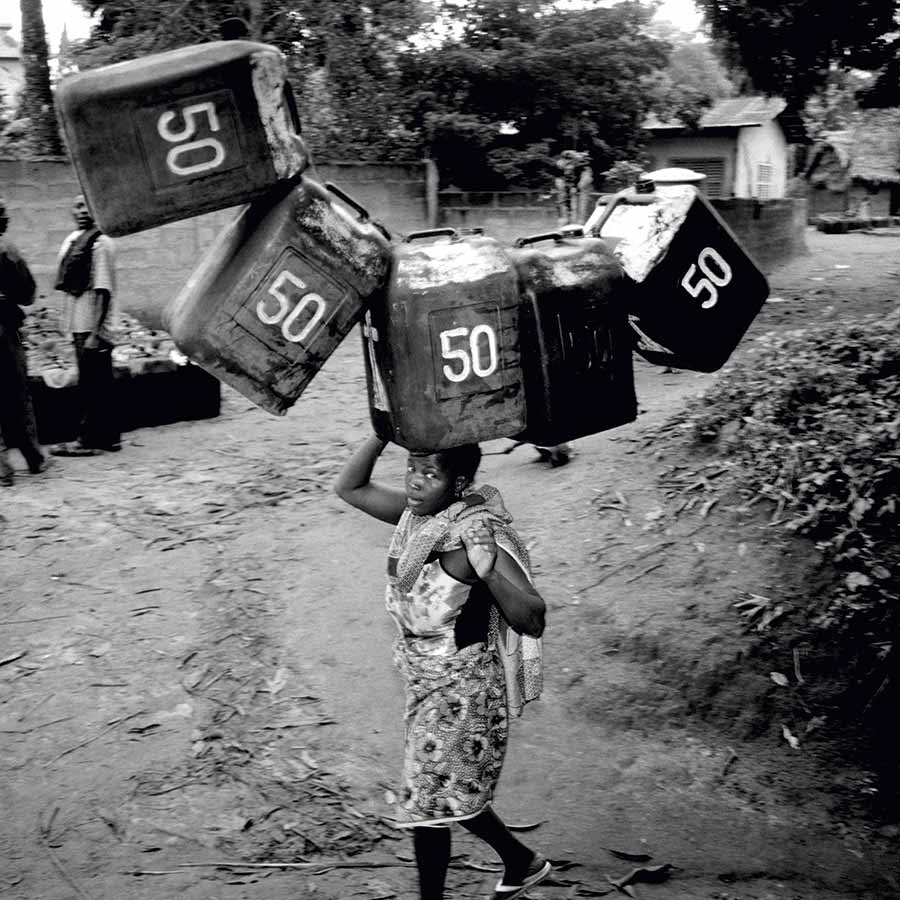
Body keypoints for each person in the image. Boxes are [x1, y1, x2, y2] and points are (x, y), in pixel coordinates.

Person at [334, 436, 551, 900]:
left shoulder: (475, 536)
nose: (415, 480)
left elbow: (533, 618)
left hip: (464, 687)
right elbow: (350, 489)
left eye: (430, 473)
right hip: (421, 678)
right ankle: (520, 861)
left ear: (459, 482)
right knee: (450, 787)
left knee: (426, 799)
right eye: (411, 466)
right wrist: (381, 432)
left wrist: (489, 572)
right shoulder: (416, 519)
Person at [51, 195, 120, 456]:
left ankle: (89, 439)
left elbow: (103, 290)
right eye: (77, 205)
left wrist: (94, 334)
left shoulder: (99, 244)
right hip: (80, 323)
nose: (82, 211)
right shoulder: (78, 240)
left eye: (87, 205)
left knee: (92, 385)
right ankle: (109, 437)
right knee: (100, 383)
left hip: (91, 326)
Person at [0, 198, 49, 485]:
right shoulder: (8, 250)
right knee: (18, 395)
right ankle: (34, 458)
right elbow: (27, 294)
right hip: (6, 331)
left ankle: (3, 469)